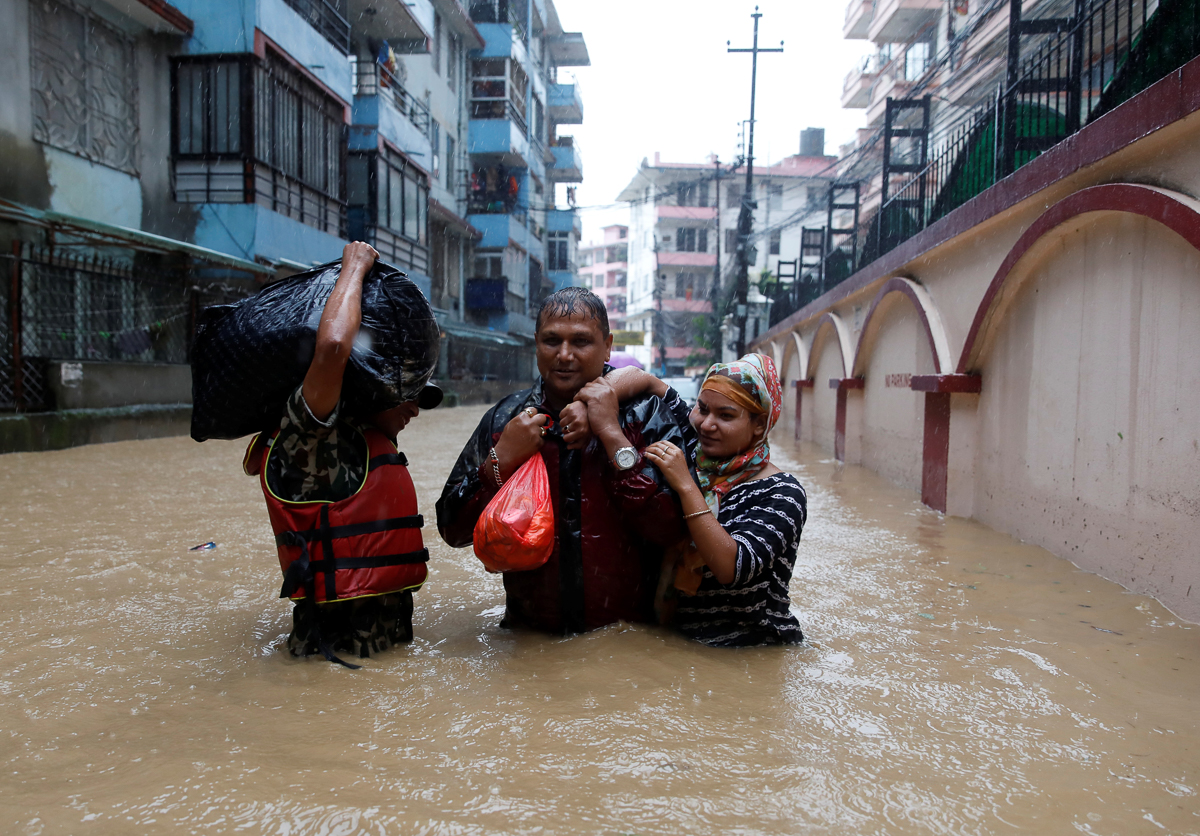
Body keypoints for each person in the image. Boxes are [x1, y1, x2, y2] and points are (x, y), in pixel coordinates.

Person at [436, 288, 692, 634]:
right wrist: (499, 464)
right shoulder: (507, 421)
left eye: (581, 341)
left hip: (627, 645)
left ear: (608, 346)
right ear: (536, 344)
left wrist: (612, 435)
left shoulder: (644, 416)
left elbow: (675, 528)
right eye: (551, 340)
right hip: (527, 641)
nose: (565, 355)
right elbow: (452, 531)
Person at [242, 242, 442, 666]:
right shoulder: (312, 438)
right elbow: (334, 348)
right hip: (333, 661)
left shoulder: (361, 447)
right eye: (405, 394)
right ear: (367, 390)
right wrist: (355, 266)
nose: (413, 407)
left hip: (374, 665)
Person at [577, 354, 807, 647]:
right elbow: (643, 379)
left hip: (750, 650)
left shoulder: (781, 492)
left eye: (725, 416)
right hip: (680, 643)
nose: (707, 424)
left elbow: (731, 567)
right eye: (702, 408)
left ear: (759, 425)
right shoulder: (691, 441)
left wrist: (686, 485)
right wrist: (587, 405)